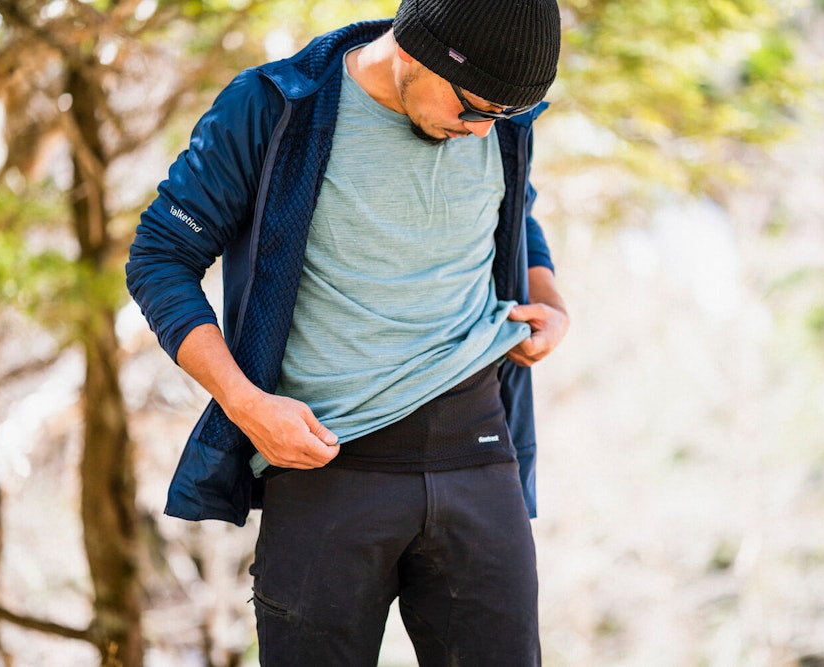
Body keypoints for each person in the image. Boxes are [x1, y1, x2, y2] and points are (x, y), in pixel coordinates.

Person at [126, 0, 569, 663]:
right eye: (472, 109)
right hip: (327, 464)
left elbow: (515, 209)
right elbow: (160, 256)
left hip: (478, 450)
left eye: (503, 117)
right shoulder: (277, 107)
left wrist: (549, 297)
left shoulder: (496, 122)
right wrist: (247, 405)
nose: (483, 132)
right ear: (418, 49)